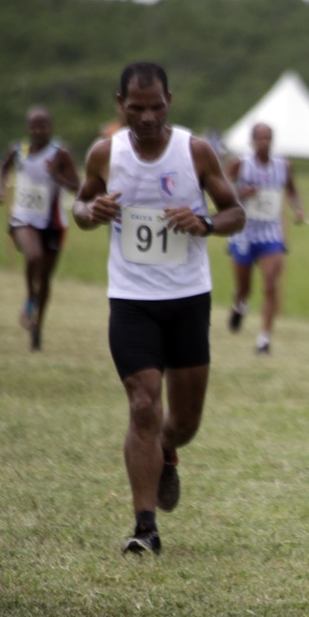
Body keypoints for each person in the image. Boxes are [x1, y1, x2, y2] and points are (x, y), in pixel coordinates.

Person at [72, 61, 245, 554]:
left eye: (156, 106)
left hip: (188, 298)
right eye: (136, 107)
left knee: (184, 423)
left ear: (170, 101)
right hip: (131, 300)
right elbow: (79, 207)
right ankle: (144, 526)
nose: (146, 117)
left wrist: (206, 223)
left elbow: (236, 212)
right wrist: (92, 211)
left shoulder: (195, 151)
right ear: (119, 104)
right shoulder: (106, 153)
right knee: (143, 404)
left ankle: (169, 450)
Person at [0, 106, 80, 351]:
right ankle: (30, 297)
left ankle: (37, 327)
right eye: (33, 126)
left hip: (53, 223)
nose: (38, 130)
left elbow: (77, 186)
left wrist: (56, 175)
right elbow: (3, 165)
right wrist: (0, 188)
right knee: (33, 256)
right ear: (28, 127)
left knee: (46, 277)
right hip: (23, 217)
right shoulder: (19, 150)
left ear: (51, 127)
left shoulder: (60, 154)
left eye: (43, 126)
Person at [225, 123, 304, 355]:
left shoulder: (283, 166)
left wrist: (297, 208)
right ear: (252, 141)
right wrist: (241, 193)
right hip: (244, 233)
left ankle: (264, 339)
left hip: (271, 234)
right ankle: (239, 305)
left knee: (270, 284)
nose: (264, 143)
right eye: (260, 138)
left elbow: (292, 191)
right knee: (243, 288)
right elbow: (221, 187)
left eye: (268, 138)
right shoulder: (241, 164)